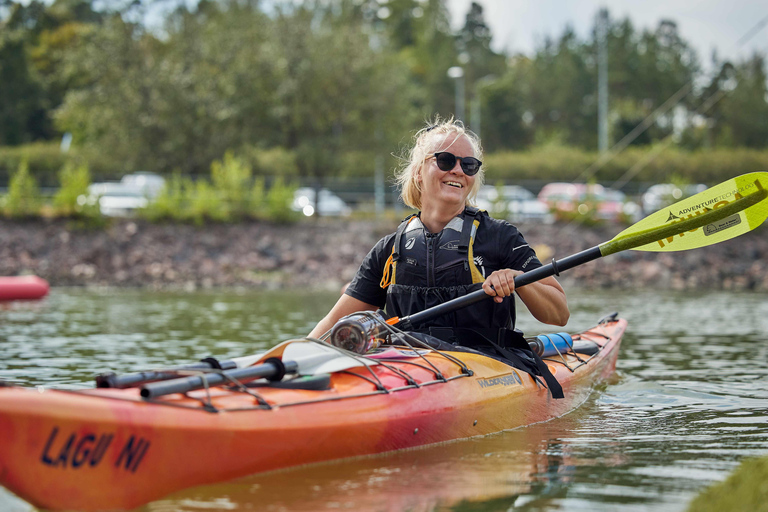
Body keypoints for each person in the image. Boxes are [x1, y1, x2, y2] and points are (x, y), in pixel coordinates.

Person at [309, 118, 569, 351]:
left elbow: (559, 314)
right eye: (445, 160)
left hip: (485, 368)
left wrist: (518, 278)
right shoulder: (390, 250)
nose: (457, 170)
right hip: (408, 370)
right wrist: (292, 361)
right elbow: (332, 323)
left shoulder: (500, 236)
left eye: (468, 165)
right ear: (419, 173)